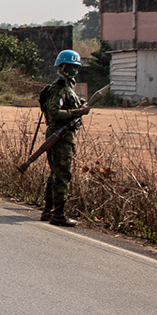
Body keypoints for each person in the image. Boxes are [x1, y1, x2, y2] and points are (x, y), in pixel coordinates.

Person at [39, 49, 91, 227]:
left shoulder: (69, 88)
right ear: (61, 67)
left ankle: (48, 211)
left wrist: (79, 106)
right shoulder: (60, 88)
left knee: (56, 174)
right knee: (62, 175)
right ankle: (58, 214)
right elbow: (55, 113)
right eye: (69, 66)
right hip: (59, 135)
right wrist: (79, 111)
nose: (73, 70)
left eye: (75, 67)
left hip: (62, 134)